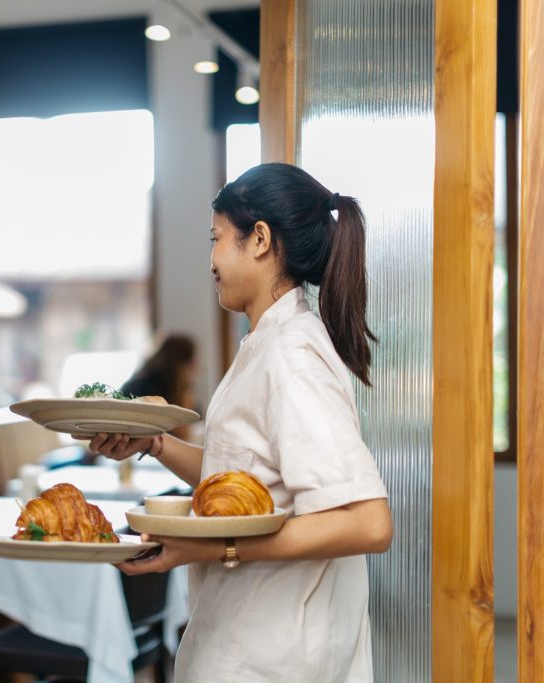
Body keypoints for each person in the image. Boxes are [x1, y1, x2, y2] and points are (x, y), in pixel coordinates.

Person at [89, 163, 393, 682]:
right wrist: (156, 443)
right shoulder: (266, 343)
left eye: (216, 238)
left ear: (259, 239)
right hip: (245, 640)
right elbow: (243, 481)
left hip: (272, 657)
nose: (210, 259)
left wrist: (209, 546)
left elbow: (367, 521)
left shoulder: (293, 355)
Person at [120, 334, 198, 440]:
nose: (197, 370)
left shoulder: (137, 381)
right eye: (193, 364)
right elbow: (183, 433)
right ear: (183, 365)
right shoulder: (157, 392)